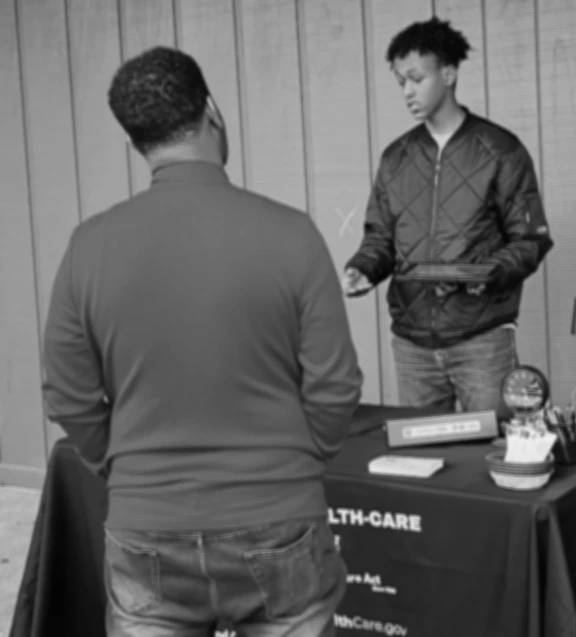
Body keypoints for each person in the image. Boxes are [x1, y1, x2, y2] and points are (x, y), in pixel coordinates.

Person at [42, 46, 362, 637]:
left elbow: (67, 392)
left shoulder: (88, 246)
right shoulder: (292, 233)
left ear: (135, 141)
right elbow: (335, 384)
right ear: (212, 111)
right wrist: (297, 462)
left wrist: (120, 465)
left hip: (145, 525)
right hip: (279, 516)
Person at [343, 17, 553, 419]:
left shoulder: (501, 151)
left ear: (449, 74)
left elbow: (531, 240)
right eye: (400, 81)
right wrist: (363, 268)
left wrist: (483, 274)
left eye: (416, 78)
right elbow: (380, 237)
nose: (407, 91)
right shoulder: (396, 158)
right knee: (423, 454)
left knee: (493, 450)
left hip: (481, 341)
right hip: (412, 347)